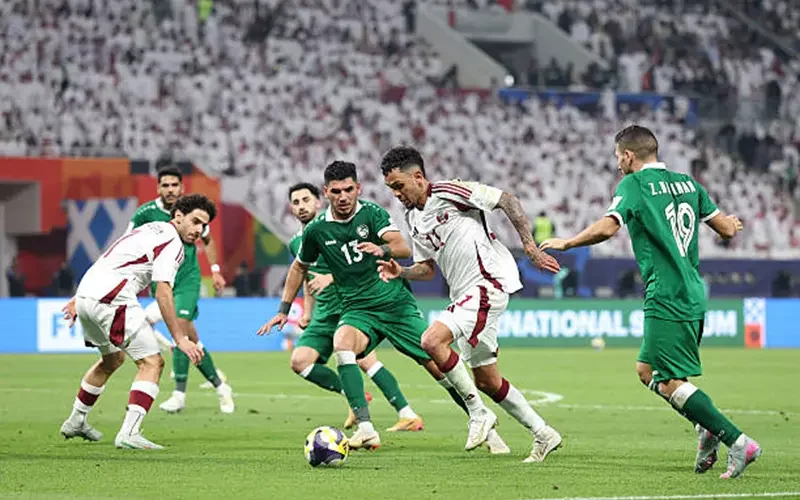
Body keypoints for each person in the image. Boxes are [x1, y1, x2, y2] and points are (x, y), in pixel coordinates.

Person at [539, 125, 761, 478]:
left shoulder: (634, 184)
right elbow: (727, 229)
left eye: (618, 157)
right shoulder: (688, 184)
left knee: (669, 381)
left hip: (666, 294)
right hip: (693, 290)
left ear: (629, 156)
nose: (617, 164)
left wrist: (567, 242)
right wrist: (732, 223)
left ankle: (738, 441)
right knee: (647, 371)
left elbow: (608, 227)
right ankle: (704, 427)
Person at [258, 161, 509, 453]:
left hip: (394, 304)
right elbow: (298, 267)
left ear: (358, 188)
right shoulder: (316, 230)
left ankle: (484, 424)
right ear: (326, 192)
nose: (343, 197)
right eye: (336, 191)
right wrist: (283, 310)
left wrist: (383, 249)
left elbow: (402, 247)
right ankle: (366, 429)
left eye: (348, 190)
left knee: (438, 367)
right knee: (343, 344)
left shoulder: (373, 213)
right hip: (358, 309)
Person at [378, 146, 563, 463]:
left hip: (487, 283)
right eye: (390, 188)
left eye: (399, 185)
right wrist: (401, 272)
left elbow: (507, 200)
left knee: (431, 341)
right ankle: (544, 433)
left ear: (418, 177)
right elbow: (427, 269)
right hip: (464, 295)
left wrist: (530, 248)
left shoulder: (448, 191)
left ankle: (478, 414)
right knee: (487, 381)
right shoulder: (413, 218)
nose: (396, 193)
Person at [59, 194, 215, 449]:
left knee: (112, 359)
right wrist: (180, 339)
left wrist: (79, 297)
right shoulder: (172, 243)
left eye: (203, 225)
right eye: (195, 221)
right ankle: (129, 433)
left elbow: (111, 256)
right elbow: (163, 291)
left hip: (88, 293)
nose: (199, 230)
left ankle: (76, 420)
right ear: (178, 216)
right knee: (152, 362)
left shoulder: (150, 229)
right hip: (112, 298)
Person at [286, 181, 423, 432]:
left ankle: (406, 413)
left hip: (350, 305)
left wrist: (331, 278)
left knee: (365, 360)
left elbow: (358, 266)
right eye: (296, 203)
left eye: (306, 200)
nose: (302, 206)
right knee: (299, 361)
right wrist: (307, 312)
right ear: (291, 208)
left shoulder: (336, 227)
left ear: (318, 201)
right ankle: (353, 397)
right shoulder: (297, 242)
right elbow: (306, 276)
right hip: (323, 313)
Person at [127, 167, 234, 414]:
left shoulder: (192, 213)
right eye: (165, 185)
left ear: (181, 187)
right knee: (190, 340)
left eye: (174, 185)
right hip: (161, 280)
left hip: (187, 281)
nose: (170, 189)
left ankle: (179, 394)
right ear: (158, 188)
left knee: (181, 328)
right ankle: (221, 387)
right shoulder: (145, 214)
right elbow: (129, 241)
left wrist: (215, 270)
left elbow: (208, 240)